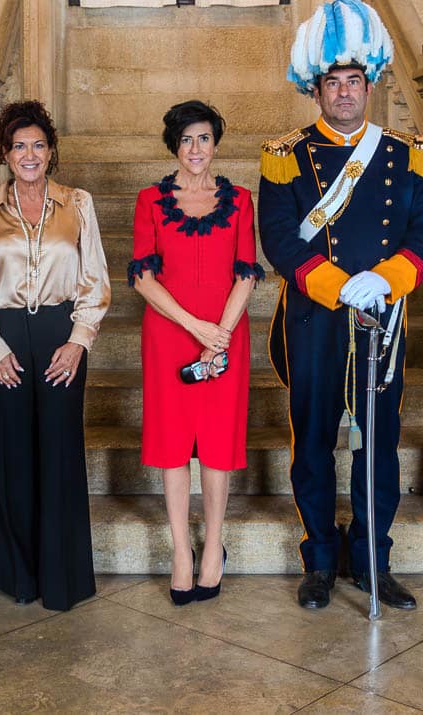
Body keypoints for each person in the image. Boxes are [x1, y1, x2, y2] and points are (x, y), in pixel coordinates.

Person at [259, 0, 423, 612]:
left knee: (378, 443)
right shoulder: (285, 155)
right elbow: (280, 238)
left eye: (353, 81)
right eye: (332, 83)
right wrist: (338, 285)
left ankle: (371, 558)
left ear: (370, 85)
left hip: (382, 320)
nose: (344, 93)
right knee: (311, 442)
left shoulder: (404, 152)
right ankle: (318, 559)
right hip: (314, 319)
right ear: (315, 90)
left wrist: (389, 279)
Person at [0, 100, 111, 611]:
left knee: (60, 455)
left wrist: (79, 339)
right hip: (5, 341)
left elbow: (95, 279)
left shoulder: (79, 204)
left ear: (51, 152)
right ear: (5, 153)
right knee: (13, 456)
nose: (30, 154)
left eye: (39, 145)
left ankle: (63, 577)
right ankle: (17, 574)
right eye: (19, 145)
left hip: (61, 337)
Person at [129, 100, 262, 605]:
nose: (195, 148)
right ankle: (182, 551)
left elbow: (246, 271)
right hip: (170, 333)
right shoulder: (150, 200)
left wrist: (220, 334)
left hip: (226, 335)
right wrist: (195, 327)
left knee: (216, 442)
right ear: (174, 145)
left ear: (216, 142)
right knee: (172, 442)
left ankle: (213, 549)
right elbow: (143, 277)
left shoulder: (241, 200)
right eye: (186, 139)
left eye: (203, 138)